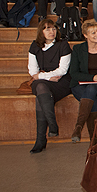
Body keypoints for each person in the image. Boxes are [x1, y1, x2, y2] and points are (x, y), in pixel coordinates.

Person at [28, 19, 72, 153]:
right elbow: (33, 71)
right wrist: (46, 77)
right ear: (41, 31)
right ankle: (52, 125)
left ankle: (41, 139)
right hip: (44, 82)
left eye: (53, 29)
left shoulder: (63, 45)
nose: (51, 32)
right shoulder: (35, 46)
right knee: (41, 87)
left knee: (41, 94)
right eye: (47, 29)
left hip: (61, 82)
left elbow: (62, 70)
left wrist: (41, 76)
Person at [68, 19, 97, 142]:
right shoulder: (78, 49)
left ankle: (79, 126)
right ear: (85, 35)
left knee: (91, 89)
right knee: (93, 100)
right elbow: (74, 73)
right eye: (93, 33)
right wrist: (92, 78)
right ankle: (95, 142)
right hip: (80, 85)